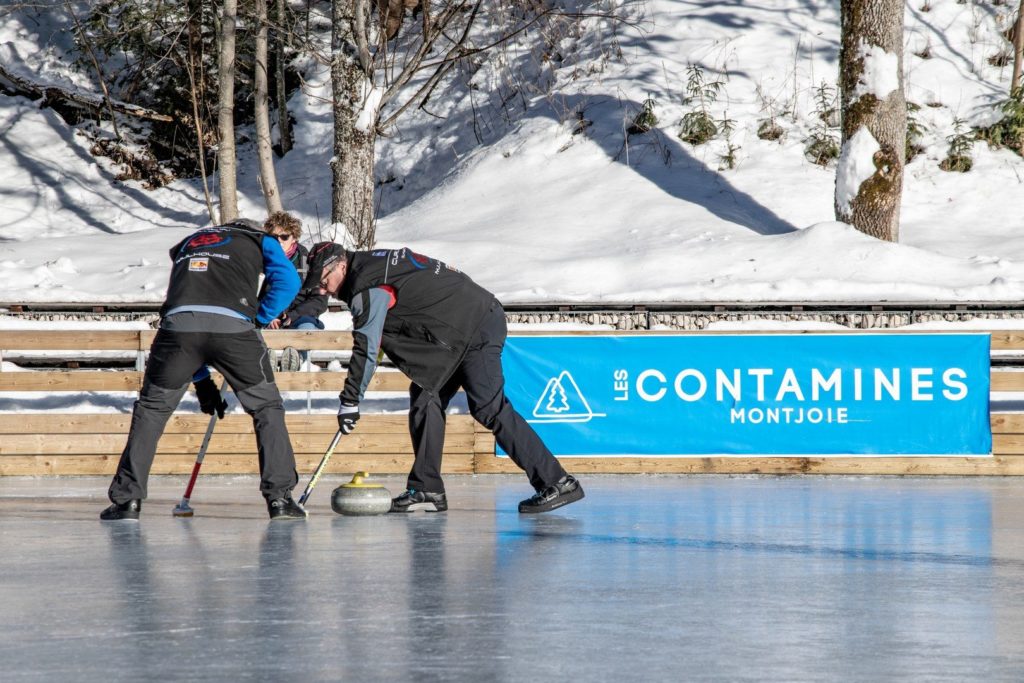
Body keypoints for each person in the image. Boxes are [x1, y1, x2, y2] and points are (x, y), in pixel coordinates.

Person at [306, 243, 584, 514]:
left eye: (324, 280)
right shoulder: (369, 268)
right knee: (426, 399)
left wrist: (351, 401)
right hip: (454, 331)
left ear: (341, 265)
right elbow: (376, 341)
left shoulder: (366, 284)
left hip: (476, 324)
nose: (322, 289)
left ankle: (558, 482)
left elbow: (366, 345)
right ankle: (427, 487)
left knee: (488, 407)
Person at [100, 218, 306, 521]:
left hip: (176, 331)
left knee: (151, 411)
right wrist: (259, 317)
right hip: (234, 330)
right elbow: (289, 281)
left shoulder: (189, 241)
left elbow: (193, 310)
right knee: (266, 408)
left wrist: (202, 381)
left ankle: (126, 501)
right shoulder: (260, 240)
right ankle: (280, 500)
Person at [260, 212, 329, 371]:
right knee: (251, 328)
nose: (279, 241)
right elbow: (252, 293)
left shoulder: (308, 262)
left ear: (294, 238)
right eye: (274, 237)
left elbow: (319, 300)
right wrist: (269, 314)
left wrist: (292, 316)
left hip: (298, 317)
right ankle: (264, 360)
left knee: (307, 329)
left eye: (284, 237)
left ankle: (294, 360)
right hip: (267, 316)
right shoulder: (260, 261)